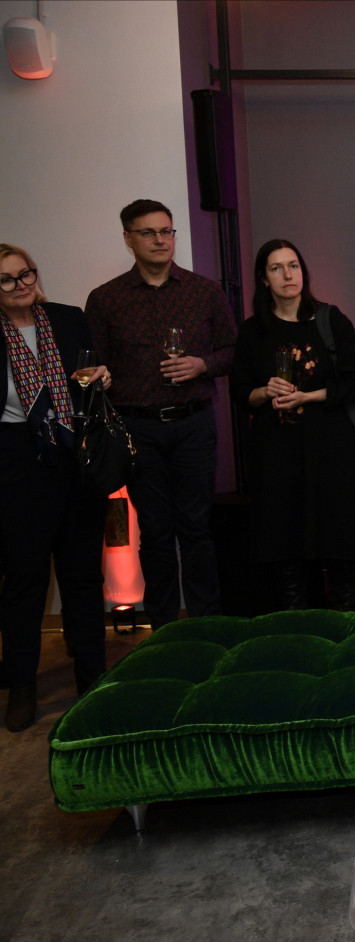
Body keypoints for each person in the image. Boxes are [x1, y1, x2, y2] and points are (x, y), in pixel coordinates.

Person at [85, 199, 235, 630]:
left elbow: (233, 350)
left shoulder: (204, 291)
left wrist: (202, 365)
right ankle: (165, 629)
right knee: (154, 531)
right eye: (148, 232)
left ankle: (207, 626)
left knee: (197, 528)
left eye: (166, 231)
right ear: (128, 239)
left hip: (193, 423)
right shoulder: (106, 299)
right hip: (138, 429)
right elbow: (93, 363)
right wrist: (98, 377)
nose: (159, 240)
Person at [0, 244, 113, 731]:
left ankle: (93, 680)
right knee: (25, 581)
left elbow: (88, 378)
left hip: (75, 458)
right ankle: (22, 688)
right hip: (16, 464)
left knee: (83, 576)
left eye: (26, 273)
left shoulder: (66, 318)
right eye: (7, 279)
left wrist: (100, 377)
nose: (21, 284)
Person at [232, 239, 355, 609]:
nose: (287, 274)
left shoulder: (330, 319)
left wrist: (307, 397)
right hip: (277, 455)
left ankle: (347, 631)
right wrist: (265, 391)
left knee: (340, 547)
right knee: (285, 550)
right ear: (264, 278)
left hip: (331, 451)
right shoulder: (252, 331)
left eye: (293, 265)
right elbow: (240, 392)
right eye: (276, 268)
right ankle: (298, 632)